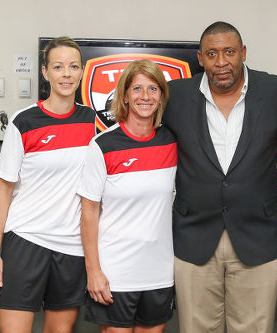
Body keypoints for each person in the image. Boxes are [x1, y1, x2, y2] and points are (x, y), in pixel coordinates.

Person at [162, 21, 277, 333]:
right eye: (212, 54)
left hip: (258, 236)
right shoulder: (174, 97)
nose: (221, 62)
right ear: (200, 57)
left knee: (254, 327)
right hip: (193, 237)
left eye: (229, 52)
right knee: (196, 327)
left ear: (243, 53)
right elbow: (143, 141)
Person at [0, 37, 96, 333]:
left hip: (71, 247)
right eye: (58, 67)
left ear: (82, 71)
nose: (66, 74)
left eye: (73, 66)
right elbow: (4, 191)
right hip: (25, 241)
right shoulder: (25, 121)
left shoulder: (93, 122)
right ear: (45, 72)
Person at [78, 59, 177, 333]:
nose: (145, 97)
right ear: (124, 95)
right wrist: (93, 271)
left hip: (159, 270)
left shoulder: (171, 142)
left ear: (161, 96)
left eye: (153, 89)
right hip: (116, 271)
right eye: (137, 89)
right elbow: (88, 212)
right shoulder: (103, 145)